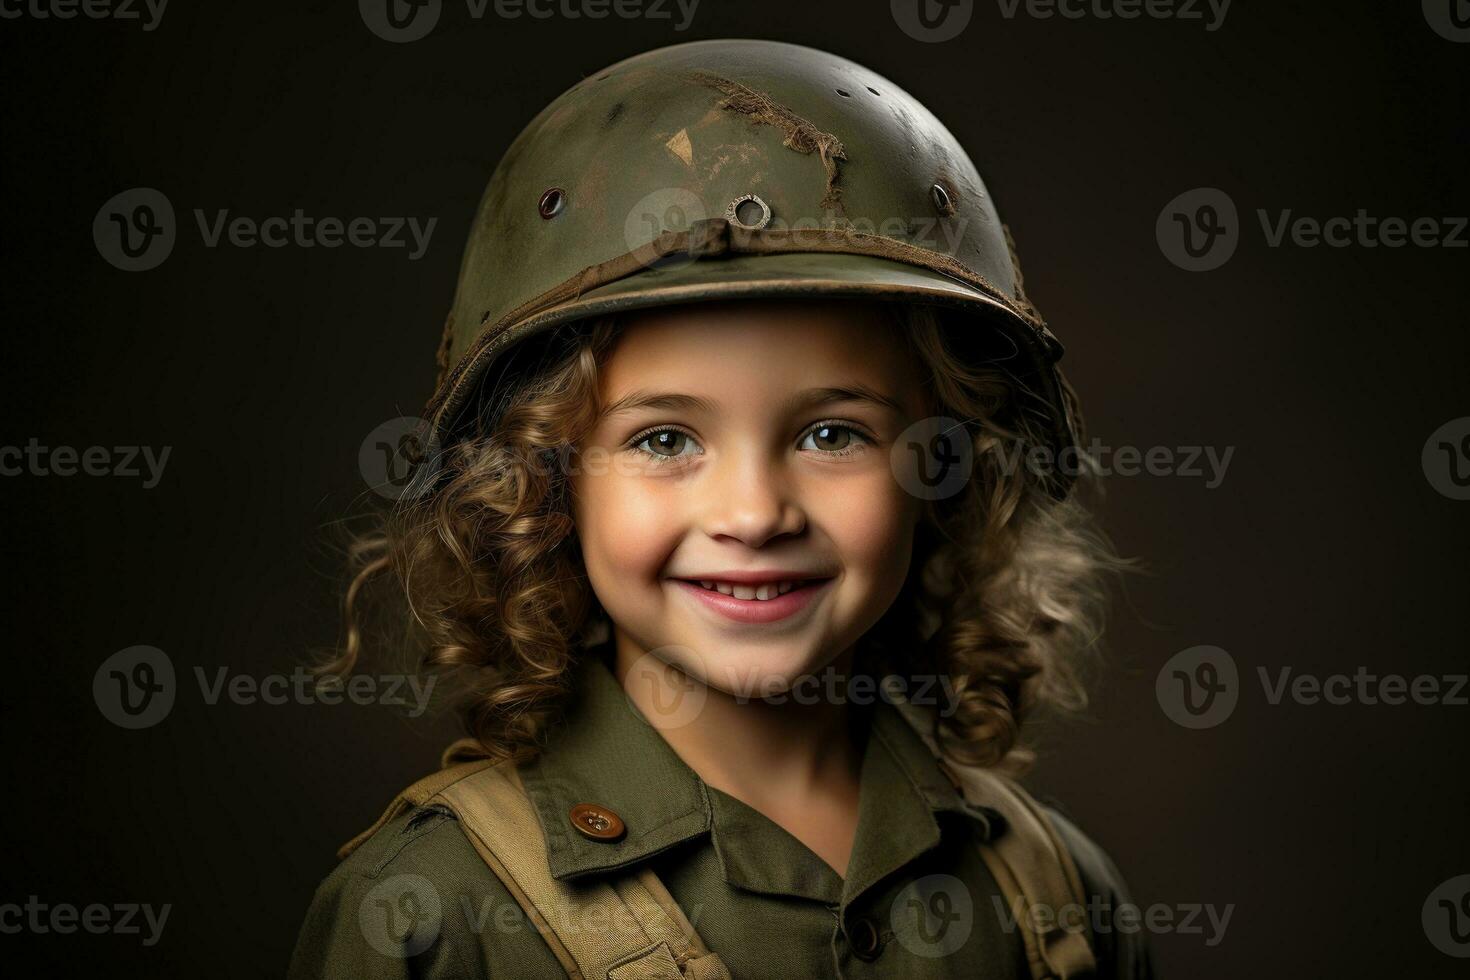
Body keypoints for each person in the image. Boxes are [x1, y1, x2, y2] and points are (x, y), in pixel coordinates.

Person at [289, 38, 1152, 980]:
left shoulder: (1056, 897)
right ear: (543, 483)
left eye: (833, 435)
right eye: (664, 440)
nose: (753, 513)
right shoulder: (428, 914)